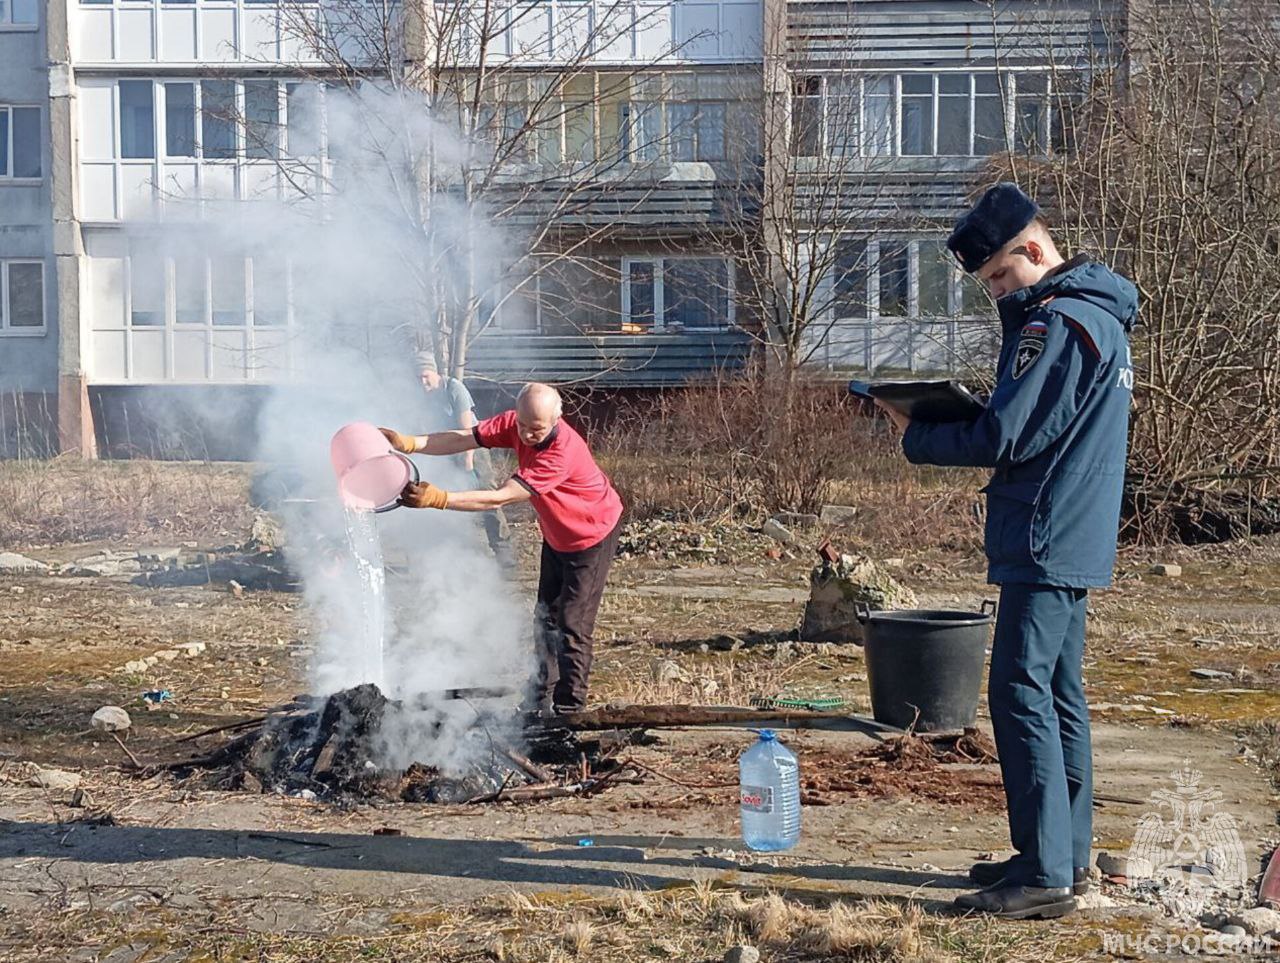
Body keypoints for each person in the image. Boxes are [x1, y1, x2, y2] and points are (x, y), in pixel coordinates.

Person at [878, 183, 1137, 920]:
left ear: (1034, 249)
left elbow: (1005, 435)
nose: (996, 292)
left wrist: (915, 428)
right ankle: (1062, 852)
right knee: (1057, 691)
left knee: (1020, 689)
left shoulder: (1053, 326)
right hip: (1071, 528)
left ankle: (1046, 871)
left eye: (998, 276)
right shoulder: (1100, 320)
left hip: (1044, 530)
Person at [379, 382, 624, 715]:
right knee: (544, 618)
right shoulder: (516, 423)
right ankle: (536, 702)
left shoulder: (561, 452)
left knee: (571, 623)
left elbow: (499, 497)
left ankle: (570, 711)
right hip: (557, 535)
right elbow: (464, 437)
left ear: (556, 419)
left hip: (591, 535)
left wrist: (439, 498)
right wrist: (413, 443)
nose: (525, 435)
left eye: (535, 429)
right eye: (522, 425)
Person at [415, 351, 508, 560]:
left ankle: (502, 549)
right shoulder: (423, 397)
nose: (422, 382)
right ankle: (459, 551)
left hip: (475, 447)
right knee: (450, 497)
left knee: (486, 496)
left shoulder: (454, 389)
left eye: (425, 376)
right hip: (448, 448)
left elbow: (468, 432)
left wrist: (468, 465)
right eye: (418, 377)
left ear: (435, 373)